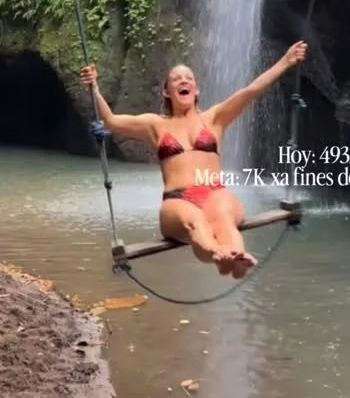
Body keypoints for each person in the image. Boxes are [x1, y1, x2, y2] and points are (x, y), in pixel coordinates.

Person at [80, 42, 307, 279]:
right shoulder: (155, 124)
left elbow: (251, 91)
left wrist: (286, 61)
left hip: (214, 192)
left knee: (224, 219)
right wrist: (94, 88)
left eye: (189, 78)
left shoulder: (215, 118)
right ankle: (218, 255)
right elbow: (112, 121)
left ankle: (236, 258)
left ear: (196, 90)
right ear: (167, 92)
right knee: (195, 223)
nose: (183, 81)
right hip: (178, 200)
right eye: (176, 79)